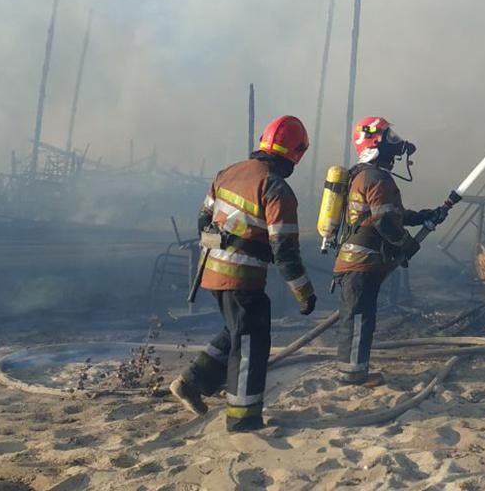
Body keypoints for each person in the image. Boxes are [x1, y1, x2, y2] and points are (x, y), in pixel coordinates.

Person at [170, 116, 317, 432]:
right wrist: (304, 293)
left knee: (237, 329)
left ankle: (192, 382)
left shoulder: (229, 172)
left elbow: (202, 220)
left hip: (211, 272)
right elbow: (285, 251)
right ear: (296, 153)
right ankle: (243, 419)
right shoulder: (276, 188)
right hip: (241, 278)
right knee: (251, 342)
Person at [332, 116, 446, 386]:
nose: (396, 143)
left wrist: (422, 217)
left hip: (357, 261)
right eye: (389, 137)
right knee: (359, 320)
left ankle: (353, 371)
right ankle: (353, 375)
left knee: (358, 316)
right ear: (375, 141)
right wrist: (405, 244)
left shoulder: (362, 175)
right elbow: (385, 221)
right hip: (362, 262)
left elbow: (391, 215)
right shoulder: (377, 178)